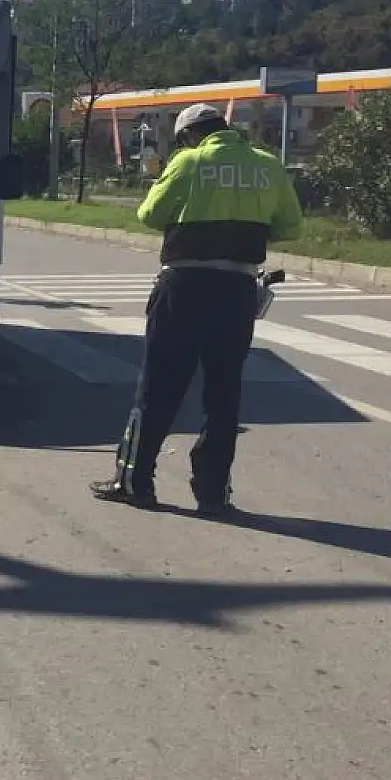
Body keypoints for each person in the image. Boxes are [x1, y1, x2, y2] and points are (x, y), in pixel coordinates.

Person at [90, 103, 302, 515]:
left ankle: (135, 481)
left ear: (189, 135)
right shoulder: (266, 166)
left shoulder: (190, 161)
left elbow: (149, 214)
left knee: (158, 389)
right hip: (237, 289)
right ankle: (212, 492)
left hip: (184, 289)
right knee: (224, 396)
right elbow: (291, 226)